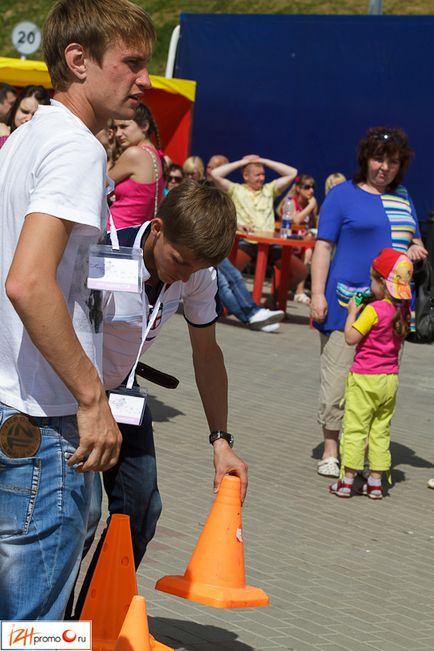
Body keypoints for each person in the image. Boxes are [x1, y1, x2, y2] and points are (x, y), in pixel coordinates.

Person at [0, 0, 155, 620]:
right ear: (78, 61)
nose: (143, 81)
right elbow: (28, 283)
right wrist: (92, 399)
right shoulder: (75, 149)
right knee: (35, 627)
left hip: (17, 404)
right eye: (132, 63)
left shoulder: (24, 140)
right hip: (45, 418)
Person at [73, 180, 249, 614]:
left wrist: (221, 440)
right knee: (77, 516)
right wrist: (87, 401)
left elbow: (206, 355)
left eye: (197, 268)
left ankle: (93, 621)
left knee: (141, 507)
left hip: (123, 393)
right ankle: (45, 630)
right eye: (180, 261)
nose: (185, 275)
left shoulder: (197, 275)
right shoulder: (101, 254)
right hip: (71, 393)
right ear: (156, 229)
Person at [310, 126, 427, 479]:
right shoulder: (342, 195)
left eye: (392, 162)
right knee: (337, 380)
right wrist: (316, 294)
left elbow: (414, 240)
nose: (384, 168)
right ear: (365, 159)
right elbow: (323, 247)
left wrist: (416, 250)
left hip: (391, 311)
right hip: (348, 305)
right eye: (378, 159)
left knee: (376, 380)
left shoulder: (404, 197)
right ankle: (331, 449)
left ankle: (360, 451)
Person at [329, 248, 413, 499]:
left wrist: (353, 312)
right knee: (380, 430)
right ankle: (376, 481)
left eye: (372, 280)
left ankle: (347, 480)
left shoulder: (373, 311)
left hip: (365, 378)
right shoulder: (403, 311)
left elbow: (350, 338)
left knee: (355, 428)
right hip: (389, 380)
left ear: (381, 284)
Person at [210, 155, 306, 295]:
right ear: (245, 176)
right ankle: (226, 307)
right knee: (223, 274)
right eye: (257, 175)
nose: (261, 178)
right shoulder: (236, 189)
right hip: (246, 242)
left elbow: (292, 173)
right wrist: (242, 163)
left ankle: (270, 304)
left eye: (263, 174)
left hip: (271, 244)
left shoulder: (269, 190)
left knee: (300, 272)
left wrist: (264, 161)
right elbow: (215, 175)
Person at [109, 102, 164, 229]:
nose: (118, 134)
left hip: (115, 234)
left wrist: (109, 150)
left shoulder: (134, 154)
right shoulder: (155, 156)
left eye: (124, 126)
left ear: (144, 126)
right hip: (134, 237)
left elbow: (99, 185)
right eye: (116, 128)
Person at [277, 174, 319, 305]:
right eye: (307, 187)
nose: (311, 190)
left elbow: (311, 226)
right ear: (299, 189)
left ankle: (300, 291)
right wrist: (310, 207)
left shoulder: (311, 205)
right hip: (285, 241)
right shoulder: (290, 201)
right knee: (307, 251)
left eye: (313, 187)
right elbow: (295, 220)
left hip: (301, 242)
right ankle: (299, 291)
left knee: (309, 250)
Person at [218, 258, 284, 332]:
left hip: (209, 248)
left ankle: (253, 319)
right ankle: (252, 314)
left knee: (224, 283)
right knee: (226, 282)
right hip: (207, 249)